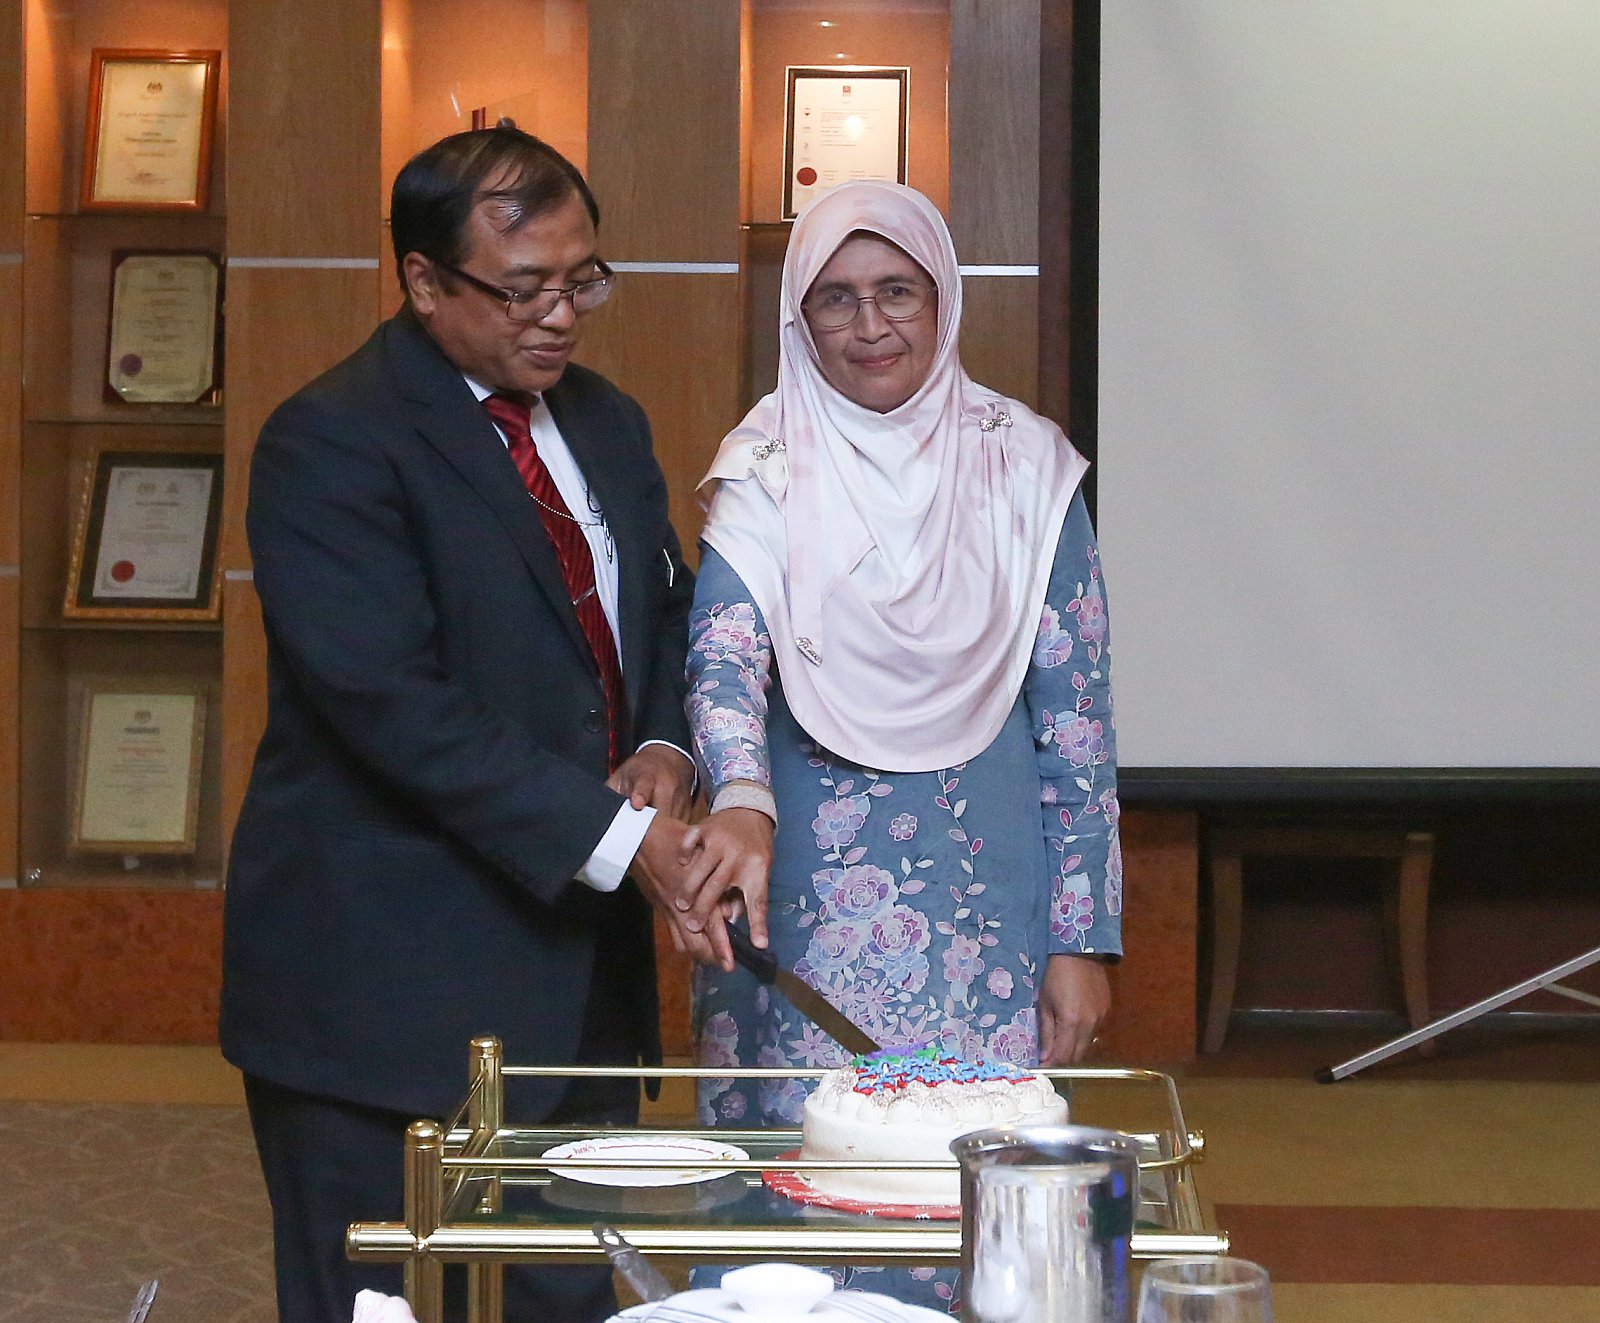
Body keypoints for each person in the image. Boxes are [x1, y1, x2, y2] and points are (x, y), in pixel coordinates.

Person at [219, 127, 726, 1323]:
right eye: (523, 288)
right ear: (423, 280)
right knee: (382, 1304)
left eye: (583, 280)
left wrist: (665, 748)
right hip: (382, 996)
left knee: (571, 1293)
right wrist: (619, 838)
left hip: (573, 990)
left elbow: (666, 610)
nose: (560, 316)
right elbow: (389, 702)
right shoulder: (331, 438)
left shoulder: (604, 420)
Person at [682, 180, 1122, 1313]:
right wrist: (738, 793)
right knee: (798, 1191)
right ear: (798, 318)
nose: (869, 325)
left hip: (988, 895)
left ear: (944, 301)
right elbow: (723, 656)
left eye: (897, 293)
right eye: (835, 299)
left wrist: (1079, 939)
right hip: (797, 887)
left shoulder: (1029, 468)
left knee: (971, 1184)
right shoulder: (766, 465)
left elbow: (1077, 723)